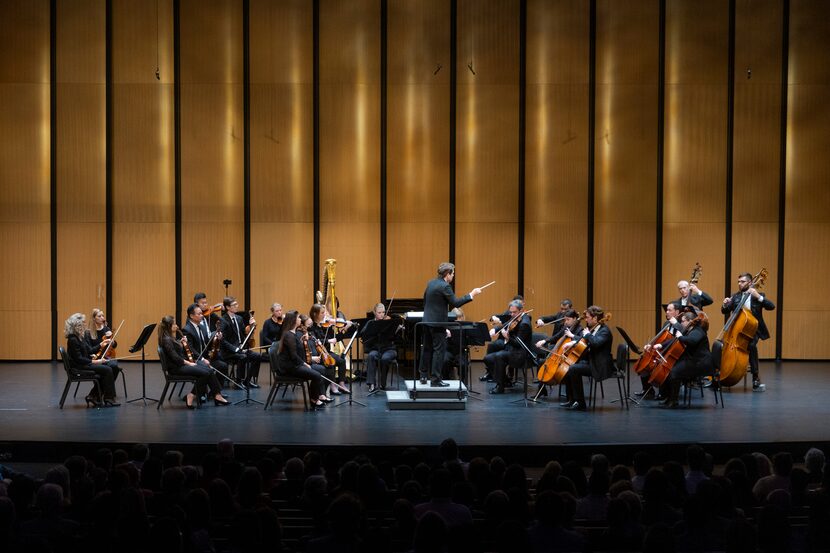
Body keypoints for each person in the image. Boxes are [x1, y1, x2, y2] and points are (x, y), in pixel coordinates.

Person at [420, 262, 481, 387]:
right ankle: (436, 380)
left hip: (426, 320)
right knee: (439, 351)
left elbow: (425, 299)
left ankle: (423, 375)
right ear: (447, 274)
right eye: (453, 274)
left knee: (426, 348)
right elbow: (456, 302)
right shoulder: (445, 286)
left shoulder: (431, 283)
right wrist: (472, 294)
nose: (453, 276)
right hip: (438, 323)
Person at [157, 315, 228, 408]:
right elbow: (175, 358)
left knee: (208, 370)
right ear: (169, 326)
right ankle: (193, 395)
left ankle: (217, 395)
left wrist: (181, 343)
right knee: (205, 373)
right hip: (176, 368)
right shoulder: (166, 340)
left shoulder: (169, 337)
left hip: (180, 365)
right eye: (174, 323)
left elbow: (176, 351)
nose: (176, 325)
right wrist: (189, 363)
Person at [721, 272, 775, 391]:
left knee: (751, 346)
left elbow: (771, 306)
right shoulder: (735, 296)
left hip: (753, 329)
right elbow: (724, 311)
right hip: (737, 329)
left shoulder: (758, 295)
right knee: (722, 345)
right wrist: (724, 304)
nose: (740, 284)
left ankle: (756, 378)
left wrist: (759, 297)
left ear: (750, 282)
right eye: (739, 282)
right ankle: (720, 374)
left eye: (743, 282)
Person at [651, 309, 713, 408]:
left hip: (701, 363)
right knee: (669, 369)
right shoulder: (690, 330)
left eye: (683, 321)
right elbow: (674, 339)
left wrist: (681, 337)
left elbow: (691, 341)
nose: (681, 323)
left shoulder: (698, 330)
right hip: (693, 360)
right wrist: (661, 345)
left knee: (673, 372)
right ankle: (668, 397)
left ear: (689, 321)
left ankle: (674, 400)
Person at [560, 305, 614, 411]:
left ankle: (580, 403)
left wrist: (588, 335)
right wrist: (572, 342)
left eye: (588, 317)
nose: (586, 319)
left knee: (573, 369)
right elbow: (583, 339)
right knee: (567, 365)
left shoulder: (604, 331)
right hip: (592, 361)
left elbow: (596, 343)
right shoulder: (594, 328)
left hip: (600, 365)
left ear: (595, 318)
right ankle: (572, 400)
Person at [64, 313, 119, 407]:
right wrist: (95, 361)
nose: (85, 325)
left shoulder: (80, 337)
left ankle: (93, 395)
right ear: (76, 325)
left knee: (112, 368)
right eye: (83, 323)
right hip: (79, 366)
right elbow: (79, 359)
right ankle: (108, 398)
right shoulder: (73, 339)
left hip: (84, 363)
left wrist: (102, 343)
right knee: (108, 370)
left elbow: (89, 350)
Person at [278, 310, 329, 410]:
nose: (300, 319)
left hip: (295, 364)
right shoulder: (289, 335)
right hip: (291, 367)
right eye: (298, 318)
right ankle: (313, 399)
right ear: (293, 320)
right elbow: (293, 356)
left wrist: (301, 342)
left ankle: (316, 397)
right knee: (317, 375)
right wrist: (304, 364)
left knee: (319, 371)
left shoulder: (294, 333)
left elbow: (296, 350)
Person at [637, 302, 685, 399]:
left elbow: (683, 335)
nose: (666, 312)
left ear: (677, 312)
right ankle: (648, 390)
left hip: (674, 354)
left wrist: (675, 323)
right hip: (663, 351)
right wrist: (650, 345)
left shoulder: (682, 323)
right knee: (644, 364)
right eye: (666, 310)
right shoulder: (666, 323)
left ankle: (664, 393)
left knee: (658, 367)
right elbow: (660, 338)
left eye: (669, 310)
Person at [484, 300, 532, 394]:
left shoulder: (524, 323)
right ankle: (505, 381)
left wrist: (507, 338)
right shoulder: (515, 318)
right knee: (487, 358)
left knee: (499, 356)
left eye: (514, 312)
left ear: (521, 310)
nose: (512, 314)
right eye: (511, 312)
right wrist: (494, 329)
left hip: (520, 354)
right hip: (512, 350)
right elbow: (505, 325)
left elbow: (519, 344)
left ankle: (500, 386)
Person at [220, 296, 262, 389]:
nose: (237, 306)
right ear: (227, 307)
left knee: (258, 356)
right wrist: (236, 349)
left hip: (241, 348)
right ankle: (238, 382)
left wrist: (251, 326)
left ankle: (247, 381)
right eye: (234, 305)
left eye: (236, 304)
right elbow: (222, 340)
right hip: (229, 351)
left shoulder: (239, 318)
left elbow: (243, 333)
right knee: (242, 357)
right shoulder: (223, 320)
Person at [309, 303, 349, 396]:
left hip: (326, 352)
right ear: (315, 314)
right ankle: (332, 386)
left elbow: (335, 338)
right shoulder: (312, 327)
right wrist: (328, 340)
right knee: (332, 363)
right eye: (322, 313)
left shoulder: (323, 325)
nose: (325, 315)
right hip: (319, 353)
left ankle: (341, 383)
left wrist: (343, 329)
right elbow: (316, 340)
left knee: (342, 361)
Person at [182, 303, 229, 378]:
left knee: (223, 365)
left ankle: (216, 389)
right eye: (199, 314)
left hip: (206, 358)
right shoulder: (187, 330)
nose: (202, 315)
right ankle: (210, 389)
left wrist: (217, 338)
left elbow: (208, 343)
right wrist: (203, 359)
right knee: (207, 369)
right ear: (191, 316)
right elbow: (190, 348)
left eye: (202, 313)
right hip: (195, 359)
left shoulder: (202, 327)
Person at [85, 308, 122, 395]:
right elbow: (89, 350)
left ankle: (102, 389)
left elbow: (114, 346)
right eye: (99, 316)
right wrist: (101, 345)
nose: (102, 318)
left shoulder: (106, 329)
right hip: (95, 357)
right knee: (107, 369)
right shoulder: (88, 332)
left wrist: (113, 342)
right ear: (94, 318)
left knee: (115, 367)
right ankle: (103, 391)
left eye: (103, 315)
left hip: (107, 356)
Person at [364, 303, 398, 393]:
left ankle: (383, 383)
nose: (382, 314)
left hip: (389, 349)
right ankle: (371, 384)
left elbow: (396, 338)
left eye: (383, 312)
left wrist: (396, 330)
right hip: (376, 349)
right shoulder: (371, 323)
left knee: (385, 358)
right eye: (379, 312)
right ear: (374, 312)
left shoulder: (389, 323)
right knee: (371, 356)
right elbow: (364, 336)